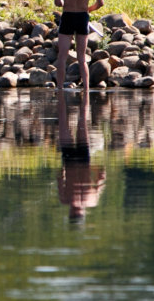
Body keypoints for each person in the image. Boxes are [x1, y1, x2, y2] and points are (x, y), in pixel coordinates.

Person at [54, 0, 104, 90]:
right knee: (82, 58)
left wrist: (65, 2)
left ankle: (59, 88)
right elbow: (100, 2)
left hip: (68, 16)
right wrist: (88, 9)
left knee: (62, 56)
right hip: (82, 17)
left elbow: (57, 2)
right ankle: (87, 89)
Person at [57, 89, 105, 222]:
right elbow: (60, 178)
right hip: (70, 161)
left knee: (81, 120)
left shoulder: (92, 200)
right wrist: (63, 170)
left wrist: (97, 169)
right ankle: (85, 91)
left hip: (83, 160)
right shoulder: (67, 199)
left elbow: (101, 178)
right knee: (65, 121)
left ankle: (64, 93)